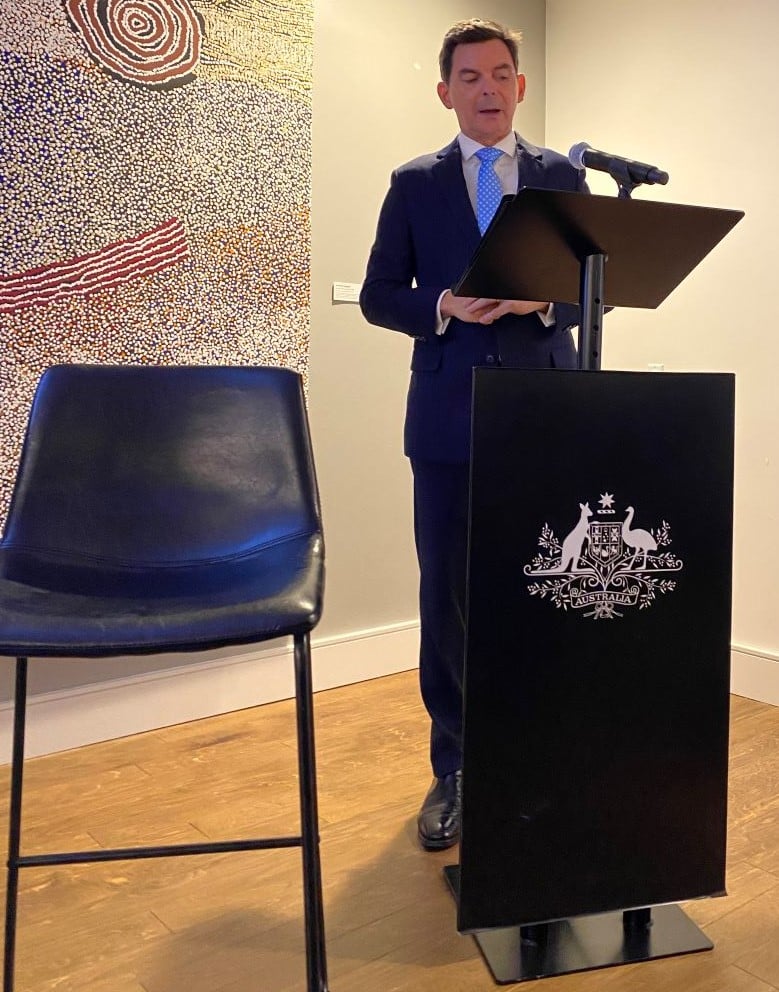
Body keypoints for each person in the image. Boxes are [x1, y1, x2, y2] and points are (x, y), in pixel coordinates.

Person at [359, 18, 587, 851]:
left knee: (545, 587)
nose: (486, 89)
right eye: (469, 77)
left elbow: (596, 288)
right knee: (449, 597)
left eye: (499, 75)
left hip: (545, 413)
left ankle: (535, 757)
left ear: (519, 87)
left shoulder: (562, 176)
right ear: (445, 91)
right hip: (447, 414)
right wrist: (443, 305)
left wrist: (545, 302)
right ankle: (453, 767)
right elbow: (381, 293)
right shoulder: (413, 183)